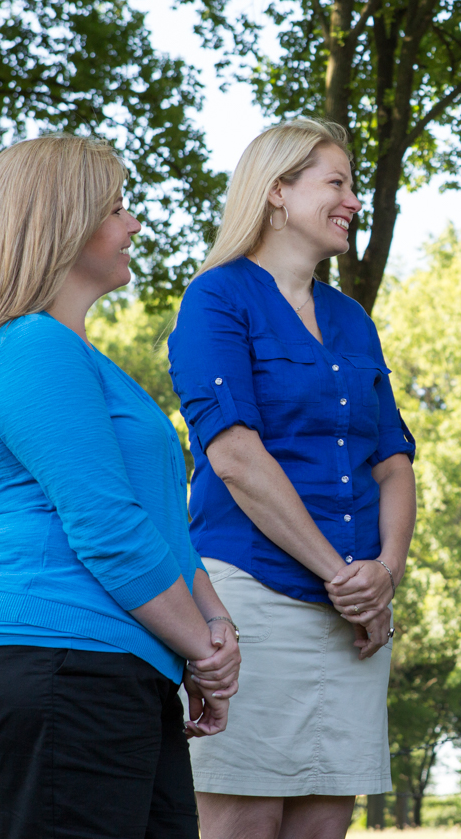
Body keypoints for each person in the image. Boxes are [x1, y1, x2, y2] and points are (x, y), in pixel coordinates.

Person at [0, 135, 241, 839]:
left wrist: (216, 632)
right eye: (115, 208)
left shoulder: (82, 360)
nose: (134, 223)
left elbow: (163, 527)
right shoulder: (29, 347)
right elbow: (109, 530)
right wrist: (201, 649)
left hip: (121, 667)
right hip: (52, 662)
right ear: (60, 225)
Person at [167, 118, 417, 839]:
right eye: (335, 183)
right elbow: (236, 456)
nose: (351, 201)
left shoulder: (351, 319)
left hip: (357, 619)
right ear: (276, 191)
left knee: (323, 822)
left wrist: (385, 574)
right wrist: (346, 576)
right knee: (242, 819)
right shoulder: (216, 298)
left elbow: (393, 460)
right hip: (250, 598)